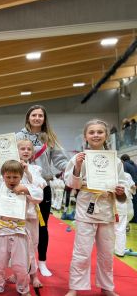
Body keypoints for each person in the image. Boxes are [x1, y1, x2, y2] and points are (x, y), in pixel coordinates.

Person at [64, 119, 128, 296]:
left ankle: (107, 287)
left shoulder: (115, 161)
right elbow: (71, 184)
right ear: (86, 136)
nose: (96, 135)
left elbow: (124, 187)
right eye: (92, 132)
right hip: (86, 209)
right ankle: (75, 287)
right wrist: (77, 167)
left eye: (100, 132)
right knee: (82, 252)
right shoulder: (78, 158)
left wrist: (121, 191)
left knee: (106, 254)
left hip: (107, 209)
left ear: (106, 135)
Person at [16, 104, 68, 277]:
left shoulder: (50, 138)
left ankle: (42, 262)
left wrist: (75, 167)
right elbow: (7, 157)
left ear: (44, 119)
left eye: (40, 115)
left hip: (42, 186)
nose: (37, 118)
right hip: (21, 186)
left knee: (42, 225)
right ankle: (21, 264)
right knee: (19, 225)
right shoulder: (17, 136)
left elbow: (60, 161)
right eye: (34, 115)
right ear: (28, 117)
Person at [0, 139, 46, 290]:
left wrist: (27, 172)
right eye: (22, 148)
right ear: (16, 150)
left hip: (29, 214)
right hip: (9, 216)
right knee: (10, 252)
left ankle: (33, 275)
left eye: (29, 149)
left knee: (30, 247)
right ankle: (15, 276)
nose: (26, 151)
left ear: (32, 152)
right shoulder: (8, 166)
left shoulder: (35, 168)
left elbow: (40, 187)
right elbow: (0, 189)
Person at [0, 160, 42, 296]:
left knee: (20, 264)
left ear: (21, 176)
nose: (12, 180)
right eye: (8, 177)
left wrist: (26, 189)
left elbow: (39, 196)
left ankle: (23, 288)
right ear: (3, 176)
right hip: (1, 230)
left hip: (19, 230)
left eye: (15, 177)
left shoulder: (26, 187)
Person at [120, 154, 137, 223]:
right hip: (131, 191)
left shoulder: (125, 168)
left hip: (125, 194)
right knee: (131, 210)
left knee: (125, 211)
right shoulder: (134, 165)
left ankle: (126, 223)